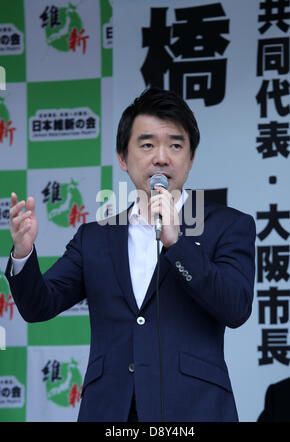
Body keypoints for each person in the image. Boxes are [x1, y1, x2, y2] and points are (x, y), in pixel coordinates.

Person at [6, 88, 256, 422]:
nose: (162, 157)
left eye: (176, 145)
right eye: (148, 144)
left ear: (191, 158)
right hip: (112, 412)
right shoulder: (95, 237)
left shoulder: (228, 225)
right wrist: (23, 253)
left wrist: (177, 243)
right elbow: (39, 306)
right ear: (123, 158)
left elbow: (235, 307)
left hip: (195, 410)